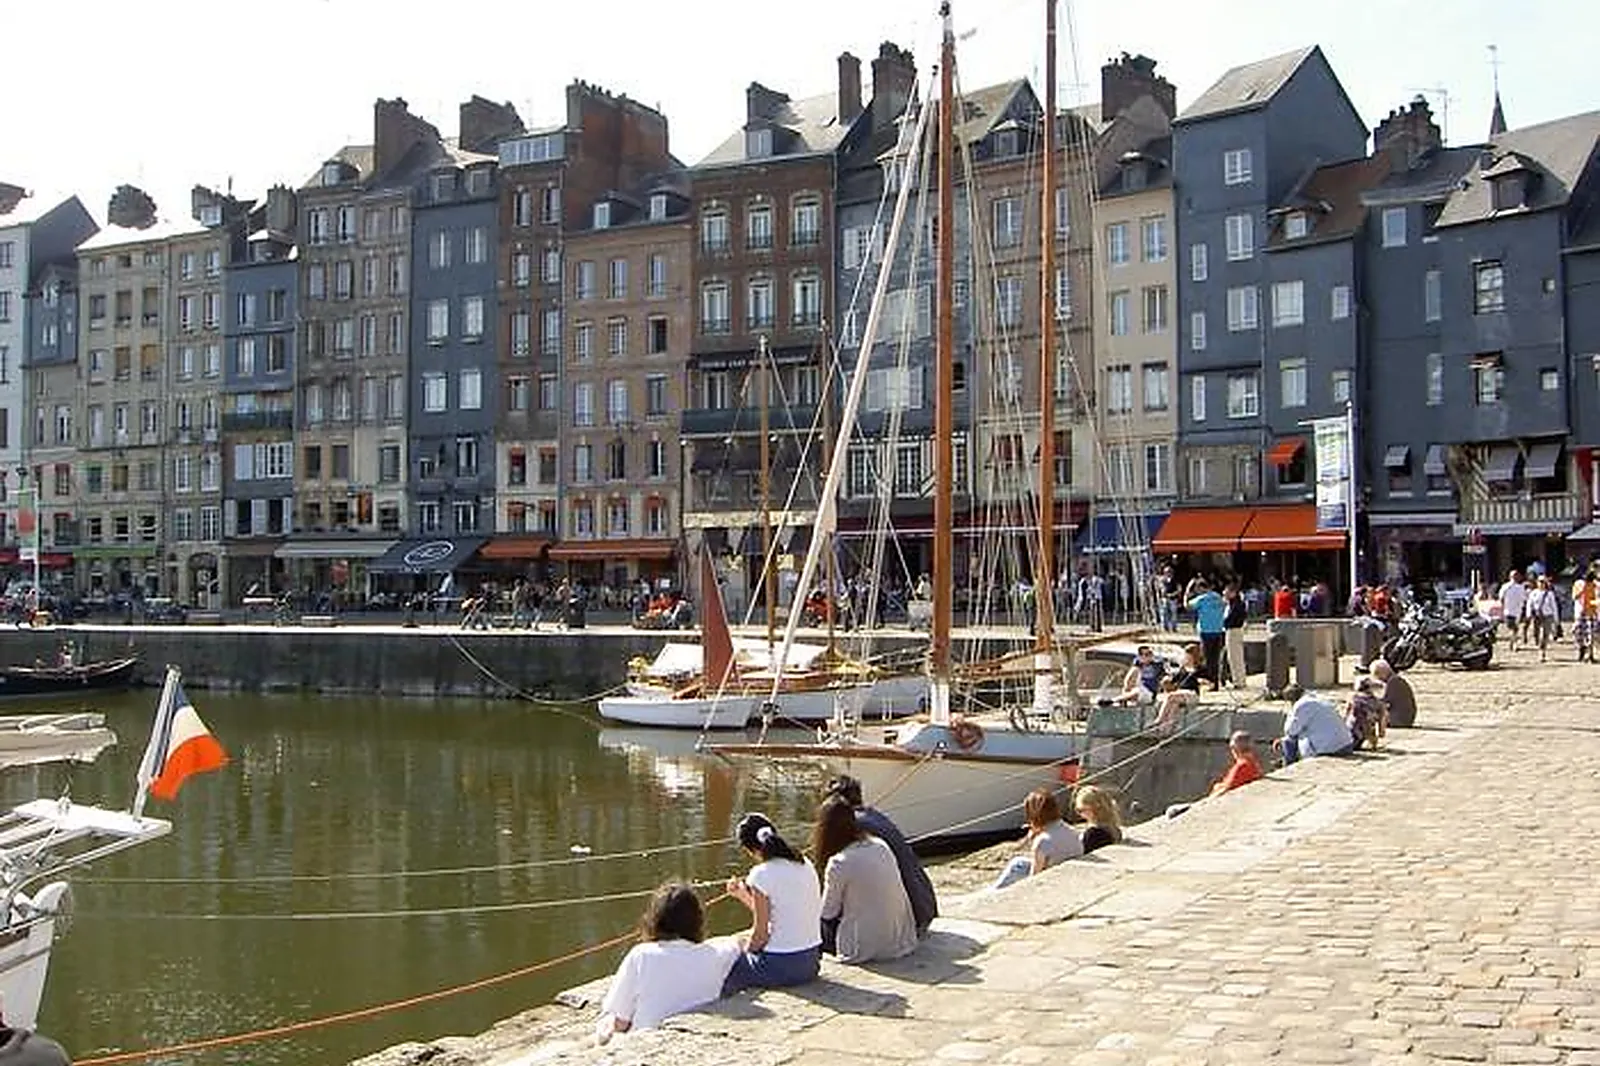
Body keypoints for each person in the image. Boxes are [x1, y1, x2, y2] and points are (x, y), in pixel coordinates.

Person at [595, 883, 742, 1043]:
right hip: (693, 1038)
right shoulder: (716, 954)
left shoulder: (642, 954)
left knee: (606, 1023)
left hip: (646, 1041)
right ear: (698, 920)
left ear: (654, 919)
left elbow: (621, 1022)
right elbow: (738, 943)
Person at [721, 813, 822, 995]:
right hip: (811, 962)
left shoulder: (760, 874)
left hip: (780, 967)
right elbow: (779, 914)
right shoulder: (805, 862)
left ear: (749, 849)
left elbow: (760, 935)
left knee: (729, 962)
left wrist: (745, 952)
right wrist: (743, 895)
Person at [823, 775, 937, 935]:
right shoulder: (874, 816)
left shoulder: (854, 826)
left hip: (907, 921)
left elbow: (832, 904)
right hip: (923, 907)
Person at [811, 797, 918, 964]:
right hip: (900, 939)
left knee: (813, 923)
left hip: (863, 945)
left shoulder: (840, 862)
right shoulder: (880, 845)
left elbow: (828, 912)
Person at [990, 787, 1083, 890]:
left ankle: (994, 892)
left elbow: (1035, 877)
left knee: (1017, 865)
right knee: (1019, 862)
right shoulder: (1071, 830)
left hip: (1052, 878)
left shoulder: (1043, 841)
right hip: (1066, 870)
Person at [1275, 685, 1354, 764]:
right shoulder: (1318, 698)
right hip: (1346, 744)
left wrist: (1290, 713)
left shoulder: (1302, 705)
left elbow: (1290, 730)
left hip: (1330, 748)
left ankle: (1289, 764)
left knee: (1289, 740)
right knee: (1303, 729)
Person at [1153, 643, 1204, 732]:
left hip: (1192, 694)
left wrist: (1202, 681)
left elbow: (1211, 683)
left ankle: (1159, 719)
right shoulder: (1183, 669)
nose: (1185, 657)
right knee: (1173, 705)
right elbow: (1173, 680)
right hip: (1181, 693)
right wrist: (1166, 680)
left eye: (1187, 655)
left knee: (1170, 696)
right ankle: (1166, 729)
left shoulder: (1200, 669)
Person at [1186, 581, 1227, 689]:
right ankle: (1216, 681)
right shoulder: (1218, 597)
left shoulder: (1201, 599)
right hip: (1218, 631)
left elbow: (1188, 606)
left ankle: (1211, 682)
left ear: (1200, 588)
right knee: (1216, 658)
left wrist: (1186, 593)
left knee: (1207, 659)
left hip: (1206, 632)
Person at [1072, 785, 1123, 852]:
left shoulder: (1093, 834)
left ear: (1095, 809)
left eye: (1081, 810)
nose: (1079, 814)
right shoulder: (1114, 828)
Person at [1369, 658, 1416, 729]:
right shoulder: (1395, 680)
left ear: (1383, 672)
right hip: (1404, 717)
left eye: (1377, 674)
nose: (1378, 679)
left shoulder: (1393, 682)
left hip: (1400, 719)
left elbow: (1385, 702)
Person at [1525, 575, 1560, 662]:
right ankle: (1538, 645)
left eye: (1543, 582)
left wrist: (1556, 619)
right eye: (1540, 582)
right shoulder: (1533, 593)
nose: (1541, 584)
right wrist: (1528, 614)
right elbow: (1530, 604)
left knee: (1545, 634)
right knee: (1536, 633)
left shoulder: (1550, 594)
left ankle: (1542, 651)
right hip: (1537, 616)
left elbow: (1554, 606)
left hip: (1547, 615)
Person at [1346, 677, 1386, 751]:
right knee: (1370, 722)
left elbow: (1346, 713)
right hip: (1367, 732)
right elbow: (1381, 719)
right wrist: (1381, 732)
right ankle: (1373, 743)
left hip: (1350, 732)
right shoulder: (1378, 702)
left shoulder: (1353, 698)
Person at [1222, 581, 1248, 689]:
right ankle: (1238, 679)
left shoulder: (1236, 604)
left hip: (1234, 630)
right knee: (1234, 657)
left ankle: (1239, 681)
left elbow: (1230, 619)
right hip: (1234, 630)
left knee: (1235, 657)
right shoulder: (1234, 603)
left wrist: (1224, 622)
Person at [1573, 565, 1600, 662]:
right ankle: (1582, 648)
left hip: (1592, 612)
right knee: (1578, 632)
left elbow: (1597, 598)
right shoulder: (1578, 584)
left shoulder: (1596, 585)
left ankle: (1590, 655)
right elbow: (1574, 597)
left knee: (1591, 634)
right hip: (1580, 612)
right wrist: (1582, 590)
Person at [1499, 571, 1528, 651]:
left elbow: (1524, 599)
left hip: (1516, 611)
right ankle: (1513, 644)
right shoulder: (1506, 587)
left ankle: (1512, 643)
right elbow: (1501, 598)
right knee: (1514, 628)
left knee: (1515, 628)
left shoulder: (1520, 587)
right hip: (1510, 611)